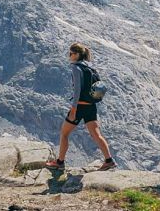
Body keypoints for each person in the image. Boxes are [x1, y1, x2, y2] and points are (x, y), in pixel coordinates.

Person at [46, 43, 115, 173]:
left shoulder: (76, 68)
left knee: (64, 133)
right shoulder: (90, 68)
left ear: (77, 54)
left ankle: (60, 162)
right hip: (91, 106)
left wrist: (73, 110)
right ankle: (109, 160)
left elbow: (77, 90)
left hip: (80, 106)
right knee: (96, 134)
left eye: (71, 53)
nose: (69, 56)